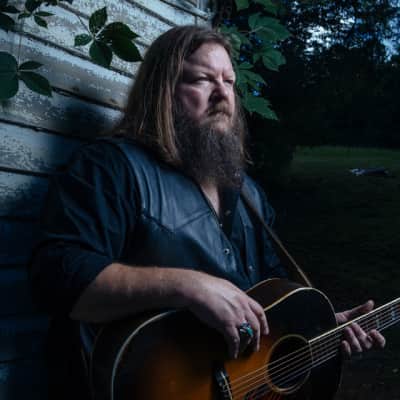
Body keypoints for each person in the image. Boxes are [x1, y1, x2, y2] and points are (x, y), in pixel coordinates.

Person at [29, 25, 385, 399]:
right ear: (161, 92)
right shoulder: (112, 168)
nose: (222, 94)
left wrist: (320, 329)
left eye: (229, 82)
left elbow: (272, 301)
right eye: (203, 79)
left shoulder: (249, 194)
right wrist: (188, 286)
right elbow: (56, 276)